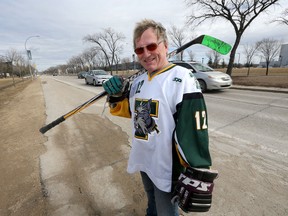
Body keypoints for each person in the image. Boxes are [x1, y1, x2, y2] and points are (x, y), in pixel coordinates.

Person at [103, 19, 216, 216]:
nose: (146, 54)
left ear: (165, 46)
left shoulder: (182, 78)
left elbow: (194, 129)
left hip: (166, 165)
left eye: (151, 46)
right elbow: (129, 111)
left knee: (166, 211)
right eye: (140, 50)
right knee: (152, 201)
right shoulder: (138, 80)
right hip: (144, 158)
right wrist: (115, 95)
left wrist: (195, 168)